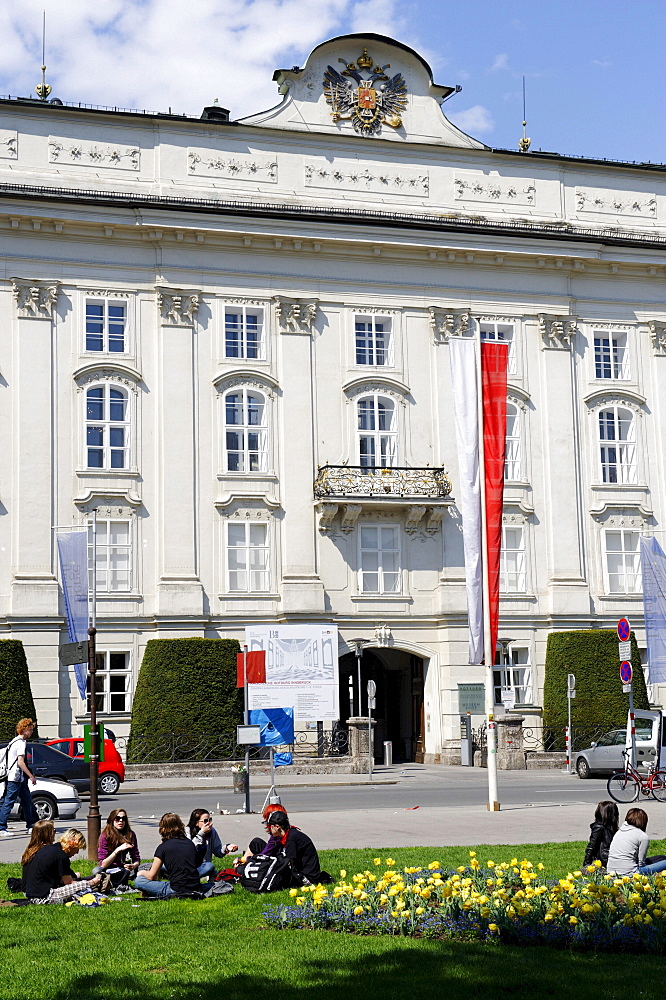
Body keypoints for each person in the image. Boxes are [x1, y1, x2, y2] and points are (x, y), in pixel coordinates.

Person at [21, 822, 104, 903]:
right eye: (77, 849)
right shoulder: (62, 856)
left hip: (32, 892)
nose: (77, 852)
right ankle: (94, 882)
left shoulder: (52, 849)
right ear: (72, 845)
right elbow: (69, 883)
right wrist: (91, 882)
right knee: (80, 885)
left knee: (78, 881)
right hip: (44, 896)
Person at [134, 812, 203, 899]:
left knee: (139, 881)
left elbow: (152, 876)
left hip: (176, 889)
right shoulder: (189, 843)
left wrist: (141, 873)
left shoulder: (163, 847)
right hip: (195, 887)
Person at [261, 810, 331, 885]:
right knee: (257, 843)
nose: (269, 829)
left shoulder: (292, 838)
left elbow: (289, 862)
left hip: (307, 877)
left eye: (270, 826)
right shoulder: (288, 835)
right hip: (300, 872)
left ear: (277, 827)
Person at [0, 718, 39, 836]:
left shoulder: (13, 741)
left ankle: (33, 824)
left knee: (27, 801)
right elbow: (20, 762)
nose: (31, 732)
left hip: (16, 778)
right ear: (24, 730)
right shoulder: (21, 743)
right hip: (15, 777)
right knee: (9, 801)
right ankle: (1, 827)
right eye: (30, 730)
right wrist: (31, 775)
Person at [606, 807, 666, 876]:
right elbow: (641, 864)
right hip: (630, 873)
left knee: (661, 857)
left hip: (611, 871)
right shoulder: (642, 836)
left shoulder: (619, 832)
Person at [186, 808, 238, 884]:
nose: (209, 823)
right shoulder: (187, 831)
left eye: (210, 820)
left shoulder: (212, 831)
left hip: (203, 866)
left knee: (209, 866)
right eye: (206, 821)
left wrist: (227, 848)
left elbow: (218, 852)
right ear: (196, 823)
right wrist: (201, 834)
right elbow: (188, 850)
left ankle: (198, 876)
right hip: (188, 866)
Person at [94, 808, 141, 889]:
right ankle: (115, 881)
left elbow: (136, 857)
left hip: (123, 868)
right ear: (112, 820)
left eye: (124, 818)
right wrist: (117, 850)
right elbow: (103, 864)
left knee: (145, 867)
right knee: (97, 870)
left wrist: (133, 865)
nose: (120, 821)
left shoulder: (130, 834)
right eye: (117, 818)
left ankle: (120, 879)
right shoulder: (105, 835)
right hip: (108, 869)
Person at [583, 800, 619, 869]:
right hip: (603, 860)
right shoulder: (599, 828)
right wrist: (587, 864)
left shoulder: (611, 828)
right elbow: (592, 846)